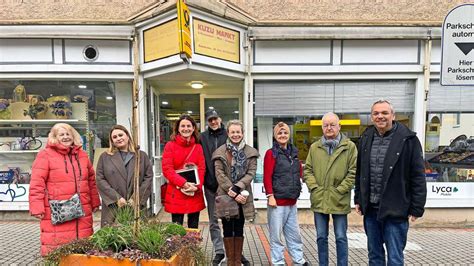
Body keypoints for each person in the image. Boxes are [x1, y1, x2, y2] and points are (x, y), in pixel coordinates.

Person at [354, 100, 427, 266]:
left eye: (384, 113)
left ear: (393, 116)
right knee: (374, 256)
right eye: (376, 113)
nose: (380, 116)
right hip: (371, 209)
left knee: (395, 257)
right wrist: (358, 198)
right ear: (372, 117)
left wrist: (417, 207)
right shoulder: (366, 138)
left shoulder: (409, 140)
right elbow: (361, 172)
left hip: (396, 209)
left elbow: (418, 176)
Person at [29, 123, 101, 256]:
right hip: (58, 210)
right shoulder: (45, 155)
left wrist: (95, 201)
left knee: (82, 248)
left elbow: (91, 180)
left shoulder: (82, 155)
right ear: (54, 137)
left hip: (82, 208)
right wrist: (37, 207)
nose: (66, 137)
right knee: (59, 249)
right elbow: (37, 183)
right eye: (61, 134)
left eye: (68, 134)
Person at [304, 112, 357, 266]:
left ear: (339, 126)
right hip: (320, 199)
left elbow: (353, 172)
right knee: (321, 237)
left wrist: (340, 190)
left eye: (332, 124)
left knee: (341, 237)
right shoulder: (315, 147)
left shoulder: (349, 147)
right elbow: (308, 170)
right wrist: (314, 188)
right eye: (325, 125)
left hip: (339, 199)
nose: (329, 128)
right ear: (322, 127)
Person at [212, 120, 259, 266]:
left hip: (243, 196)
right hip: (226, 196)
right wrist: (231, 190)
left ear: (243, 133)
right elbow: (219, 174)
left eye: (238, 132)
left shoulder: (250, 152)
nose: (235, 134)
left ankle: (237, 261)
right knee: (227, 228)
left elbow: (251, 173)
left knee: (239, 228)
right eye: (232, 132)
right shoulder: (220, 152)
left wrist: (238, 187)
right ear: (228, 133)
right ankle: (230, 261)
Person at [264, 122, 308, 266]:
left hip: (292, 202)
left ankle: (299, 261)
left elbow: (298, 171)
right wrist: (270, 196)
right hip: (277, 202)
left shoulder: (294, 152)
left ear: (289, 135)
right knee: (276, 236)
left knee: (294, 235)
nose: (282, 136)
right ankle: (278, 262)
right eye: (279, 133)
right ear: (275, 136)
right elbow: (267, 176)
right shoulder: (271, 154)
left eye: (285, 133)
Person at [95, 125, 154, 227]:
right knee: (113, 237)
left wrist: (136, 198)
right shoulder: (105, 157)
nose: (118, 138)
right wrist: (116, 198)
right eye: (115, 137)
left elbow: (148, 178)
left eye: (120, 135)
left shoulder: (141, 156)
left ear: (127, 136)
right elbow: (100, 179)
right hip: (113, 205)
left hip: (135, 204)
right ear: (111, 141)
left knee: (137, 235)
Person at [162, 114, 206, 228]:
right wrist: (183, 183)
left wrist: (197, 186)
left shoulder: (198, 147)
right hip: (176, 191)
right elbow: (167, 169)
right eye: (182, 126)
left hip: (194, 191)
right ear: (177, 128)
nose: (186, 128)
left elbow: (202, 168)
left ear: (193, 128)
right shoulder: (170, 146)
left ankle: (193, 246)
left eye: (188, 126)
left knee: (193, 227)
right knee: (177, 228)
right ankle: (177, 246)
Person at [201, 109, 228, 265]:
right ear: (207, 121)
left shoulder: (228, 135)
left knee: (229, 219)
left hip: (226, 186)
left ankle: (231, 249)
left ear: (220, 119)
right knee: (213, 220)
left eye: (215, 119)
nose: (213, 122)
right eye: (210, 119)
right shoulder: (202, 137)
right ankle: (219, 251)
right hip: (210, 185)